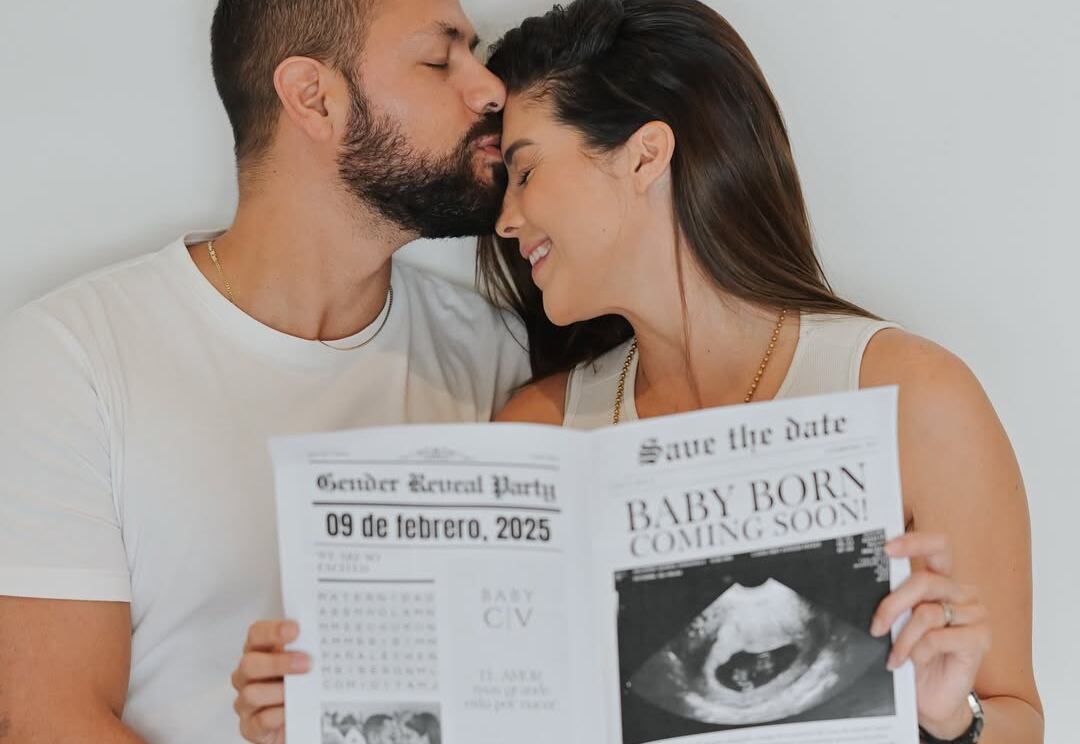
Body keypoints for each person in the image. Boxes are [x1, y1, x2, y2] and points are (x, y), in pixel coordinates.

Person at [232, 1, 1043, 743]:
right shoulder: (539, 432)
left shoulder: (912, 398)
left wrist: (949, 718)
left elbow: (1016, 716)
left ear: (645, 155)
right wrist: (314, 714)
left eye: (524, 168)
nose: (506, 218)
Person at [0, 0, 532, 741]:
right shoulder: (71, 356)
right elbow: (48, 719)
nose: (491, 90)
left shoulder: (499, 358)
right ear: (314, 98)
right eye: (441, 60)